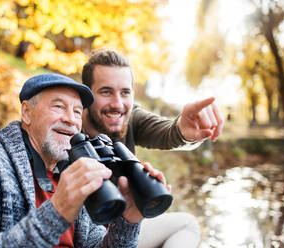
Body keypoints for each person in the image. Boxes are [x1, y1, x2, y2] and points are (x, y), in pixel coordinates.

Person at [0, 73, 167, 247]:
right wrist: (56, 213)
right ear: (26, 113)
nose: (70, 120)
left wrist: (128, 222)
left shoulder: (74, 173)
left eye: (77, 112)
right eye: (58, 106)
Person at [81, 49, 224, 248]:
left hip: (122, 228)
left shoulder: (130, 119)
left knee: (187, 225)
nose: (118, 104)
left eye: (125, 92)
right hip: (80, 235)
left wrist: (185, 129)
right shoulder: (67, 127)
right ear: (86, 95)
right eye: (106, 92)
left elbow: (168, 132)